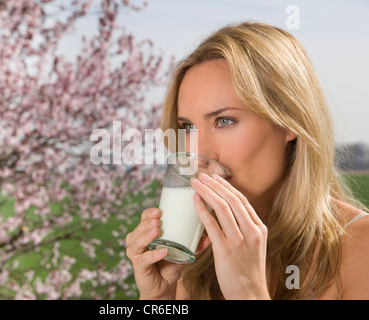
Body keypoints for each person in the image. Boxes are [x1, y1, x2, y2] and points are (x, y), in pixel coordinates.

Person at [125, 21, 369, 300]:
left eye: (224, 121)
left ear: (290, 122)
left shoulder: (362, 248)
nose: (198, 153)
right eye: (188, 128)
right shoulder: (198, 256)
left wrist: (247, 293)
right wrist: (160, 298)